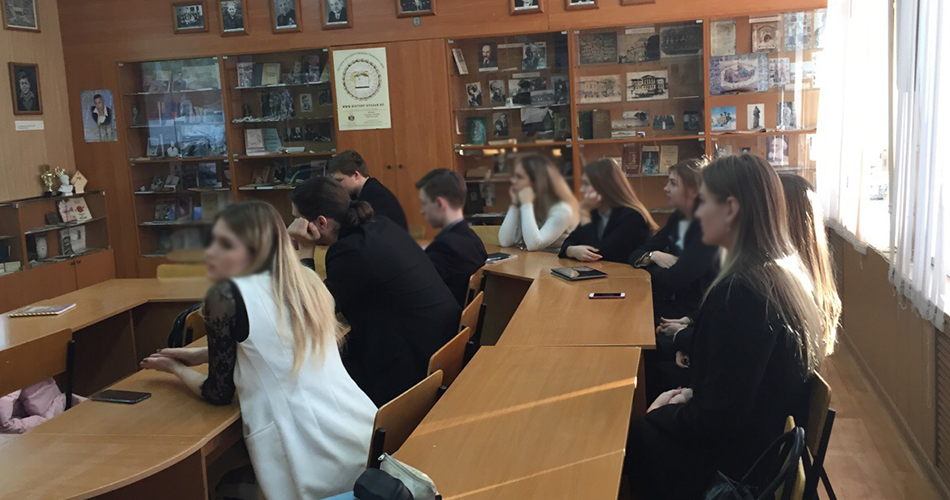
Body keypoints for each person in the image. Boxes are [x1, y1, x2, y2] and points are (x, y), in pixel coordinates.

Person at [626, 154, 840, 499]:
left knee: (624, 432)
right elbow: (736, 391)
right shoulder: (784, 275)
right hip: (760, 450)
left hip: (736, 473)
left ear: (729, 209)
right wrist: (690, 396)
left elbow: (715, 423)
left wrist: (662, 412)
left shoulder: (740, 293)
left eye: (703, 202)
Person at [140, 201, 375, 500]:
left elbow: (218, 392)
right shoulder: (307, 282)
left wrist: (174, 369)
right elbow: (275, 344)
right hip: (359, 431)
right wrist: (198, 355)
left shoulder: (226, 294)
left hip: (308, 448)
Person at [289, 178, 461, 406]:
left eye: (297, 219)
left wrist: (305, 251)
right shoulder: (380, 224)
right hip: (442, 343)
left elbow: (312, 310)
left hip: (412, 365)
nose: (293, 226)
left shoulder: (349, 251)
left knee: (317, 372)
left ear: (320, 223)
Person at [629, 158, 720, 323]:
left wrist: (648, 266)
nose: (665, 188)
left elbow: (672, 280)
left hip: (691, 318)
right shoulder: (679, 218)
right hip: (669, 306)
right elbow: (635, 255)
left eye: (673, 183)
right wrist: (654, 256)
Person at [560, 159, 657, 263]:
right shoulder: (595, 213)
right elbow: (568, 243)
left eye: (586, 184)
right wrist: (572, 250)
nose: (581, 190)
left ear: (604, 187)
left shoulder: (633, 217)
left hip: (625, 273)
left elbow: (599, 253)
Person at [416, 169, 488, 306]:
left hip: (442, 316)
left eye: (425, 204)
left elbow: (418, 288)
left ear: (439, 204)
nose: (422, 211)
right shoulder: (473, 238)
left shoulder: (443, 247)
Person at [498, 154, 579, 252]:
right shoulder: (529, 202)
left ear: (536, 181)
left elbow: (534, 245)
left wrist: (526, 204)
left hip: (557, 260)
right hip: (534, 260)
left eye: (519, 177)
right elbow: (505, 241)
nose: (513, 181)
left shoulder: (562, 209)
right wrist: (515, 204)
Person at [329, 150, 409, 231]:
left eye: (340, 180)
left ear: (356, 175)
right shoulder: (359, 193)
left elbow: (362, 230)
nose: (337, 185)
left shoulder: (376, 196)